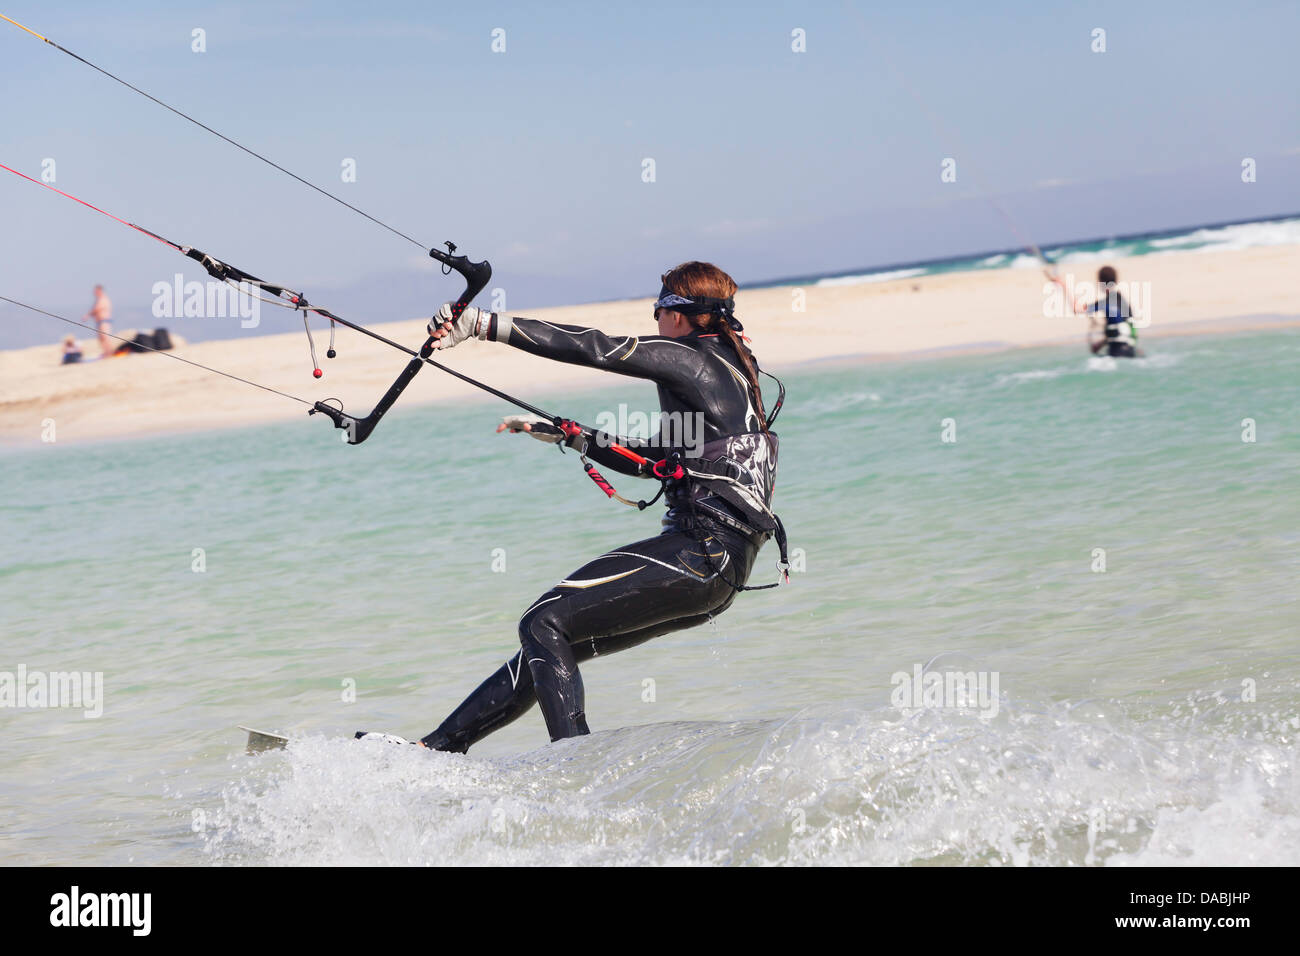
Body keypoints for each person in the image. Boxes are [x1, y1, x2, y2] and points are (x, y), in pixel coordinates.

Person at [404, 261, 789, 753]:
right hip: (718, 570)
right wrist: (577, 437)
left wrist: (483, 325)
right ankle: (435, 750)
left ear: (679, 314)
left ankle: (575, 764)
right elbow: (658, 462)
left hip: (699, 552)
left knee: (542, 622)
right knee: (547, 643)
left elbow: (600, 348)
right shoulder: (733, 372)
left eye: (659, 306)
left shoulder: (692, 359)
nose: (654, 317)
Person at [1085, 266, 1142, 358]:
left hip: (1116, 352)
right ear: (1116, 280)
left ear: (1100, 283)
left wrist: (1062, 284)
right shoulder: (1123, 301)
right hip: (1130, 351)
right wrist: (1100, 344)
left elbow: (1077, 309)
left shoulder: (1105, 303)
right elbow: (1123, 331)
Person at [84, 285, 113, 358]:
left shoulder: (103, 299)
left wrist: (87, 315)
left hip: (104, 321)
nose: (94, 293)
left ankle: (109, 352)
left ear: (100, 290)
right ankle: (106, 352)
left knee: (105, 337)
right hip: (100, 322)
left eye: (95, 291)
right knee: (101, 338)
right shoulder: (99, 299)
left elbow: (97, 309)